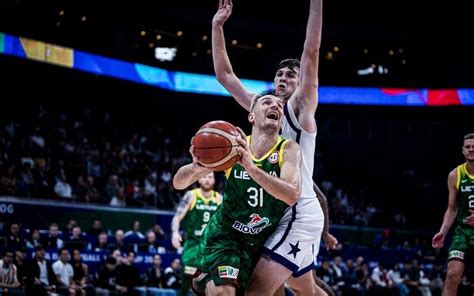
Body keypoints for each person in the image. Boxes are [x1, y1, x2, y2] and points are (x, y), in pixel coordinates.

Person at [212, 0, 336, 294]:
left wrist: (316, 4)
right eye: (280, 74)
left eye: (290, 75)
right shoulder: (263, 106)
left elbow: (311, 51)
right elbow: (226, 77)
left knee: (257, 288)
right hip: (276, 211)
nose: (283, 78)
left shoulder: (301, 108)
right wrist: (217, 26)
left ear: (300, 83)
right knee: (305, 288)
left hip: (298, 211)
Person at [173, 93, 302, 295]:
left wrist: (252, 168)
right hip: (226, 237)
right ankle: (211, 276)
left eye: (279, 105)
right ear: (251, 116)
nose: (275, 106)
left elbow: (292, 194)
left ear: (282, 119)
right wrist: (196, 168)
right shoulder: (233, 148)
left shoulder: (289, 149)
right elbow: (178, 183)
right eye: (267, 103)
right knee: (225, 292)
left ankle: (204, 278)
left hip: (262, 243)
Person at [432, 132, 474, 296]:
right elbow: (452, 209)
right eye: (468, 147)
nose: (471, 150)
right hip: (462, 233)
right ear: (463, 150)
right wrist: (443, 231)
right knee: (451, 275)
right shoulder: (455, 175)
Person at [171, 172, 222, 296]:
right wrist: (174, 233)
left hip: (211, 248)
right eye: (204, 177)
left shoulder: (219, 198)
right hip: (193, 246)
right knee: (187, 279)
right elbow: (177, 218)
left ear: (214, 181)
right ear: (199, 180)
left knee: (209, 283)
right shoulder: (191, 195)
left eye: (210, 177)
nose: (207, 180)